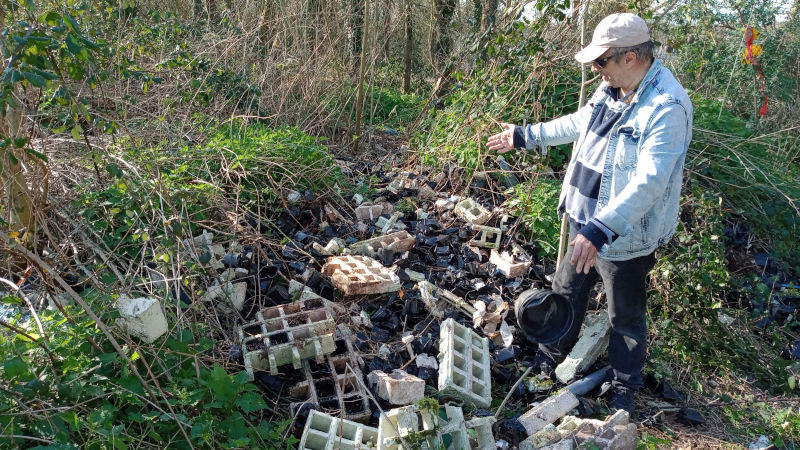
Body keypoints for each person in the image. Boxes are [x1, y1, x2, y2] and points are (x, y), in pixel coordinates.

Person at [486, 12, 693, 414]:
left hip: (623, 234)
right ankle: (548, 360)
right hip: (585, 220)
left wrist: (602, 229)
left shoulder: (667, 107)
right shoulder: (612, 89)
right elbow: (580, 123)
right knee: (566, 291)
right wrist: (525, 136)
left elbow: (650, 181)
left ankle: (624, 386)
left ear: (630, 58)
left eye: (602, 61)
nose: (597, 70)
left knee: (625, 315)